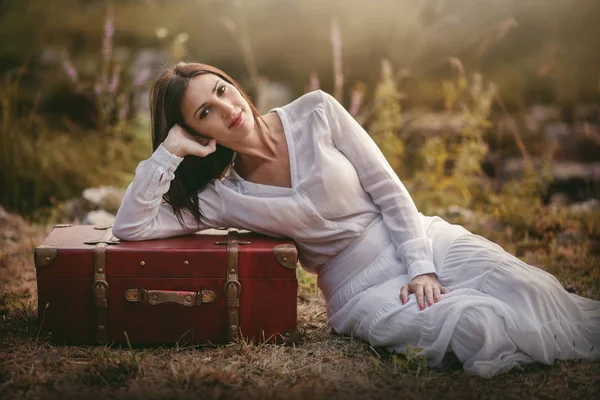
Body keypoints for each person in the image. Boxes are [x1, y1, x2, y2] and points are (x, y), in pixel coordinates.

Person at [112, 62, 600, 377]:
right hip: (359, 289)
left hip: (421, 240)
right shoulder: (222, 195)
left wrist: (421, 266)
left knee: (536, 292)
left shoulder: (317, 112)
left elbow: (389, 188)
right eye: (205, 112)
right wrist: (167, 154)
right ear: (195, 131)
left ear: (234, 83)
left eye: (222, 91)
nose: (226, 109)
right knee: (475, 324)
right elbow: (131, 227)